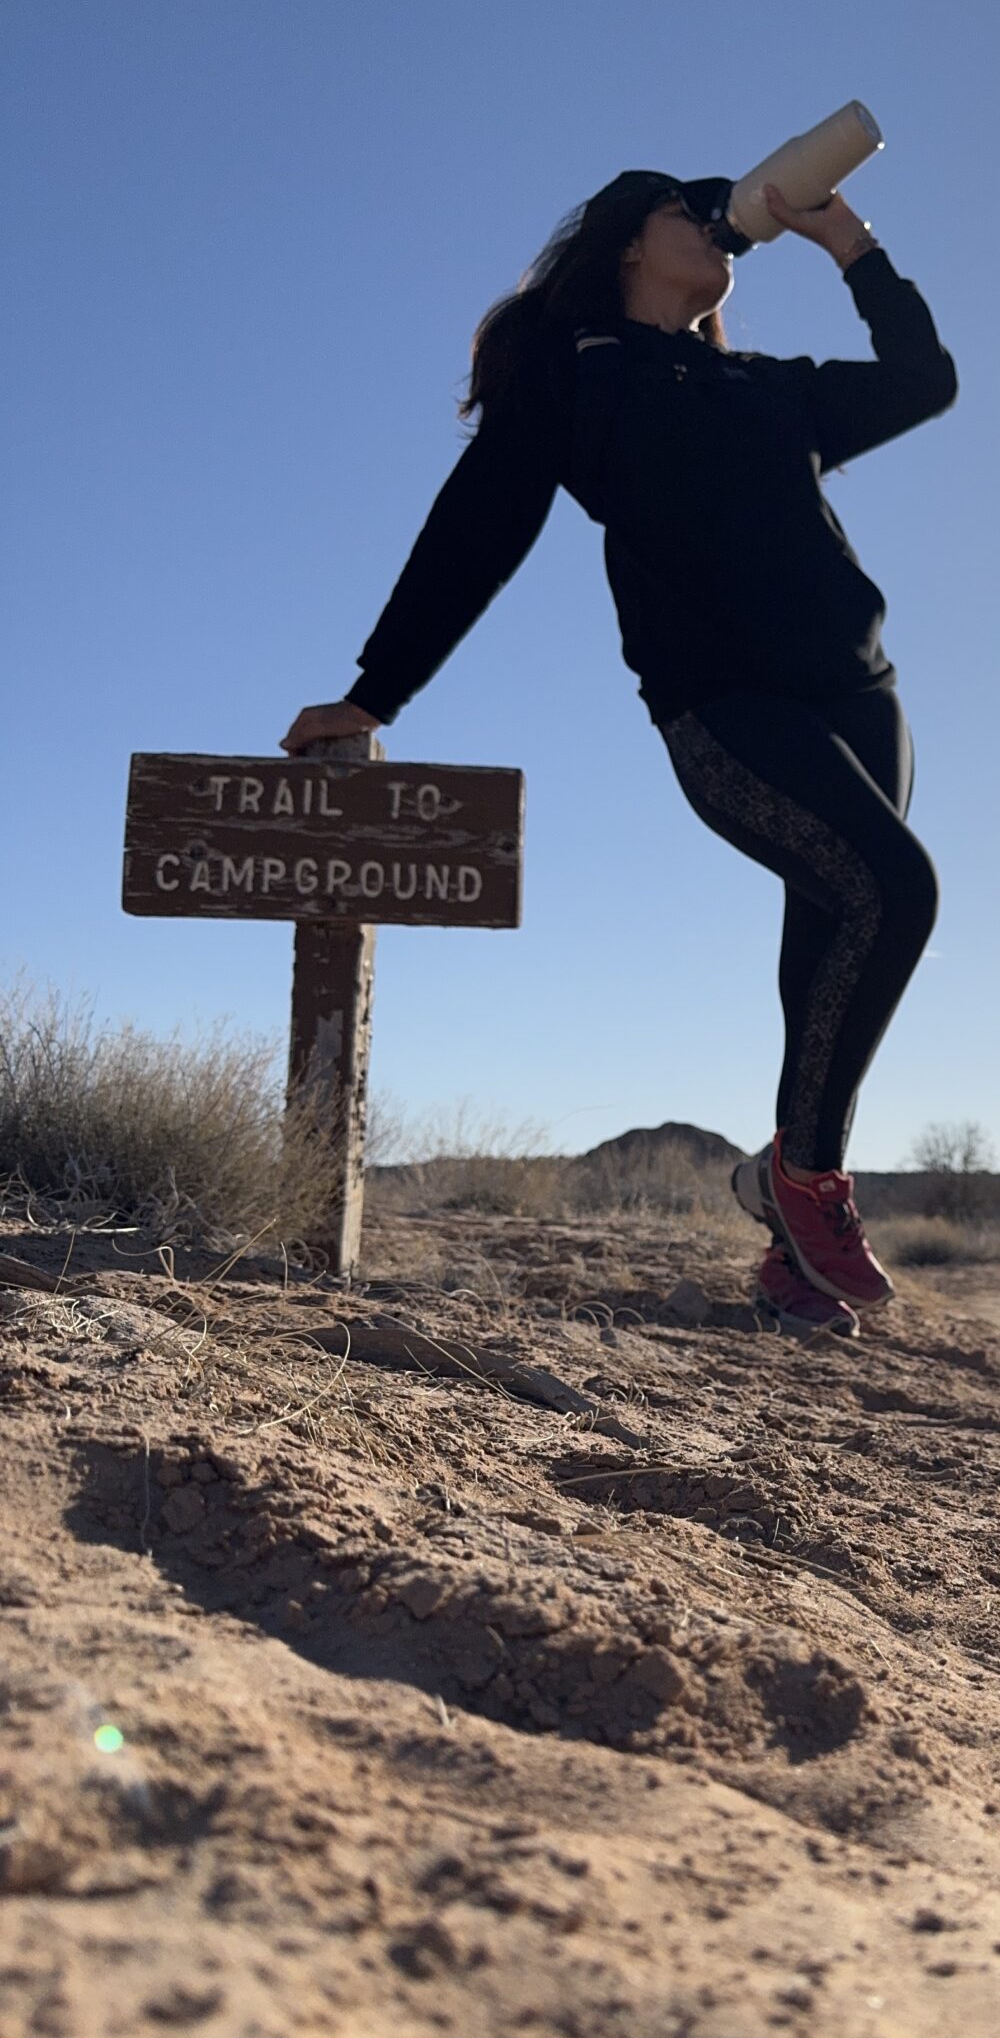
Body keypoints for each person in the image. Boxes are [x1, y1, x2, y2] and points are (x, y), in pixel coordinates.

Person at [284, 168, 958, 1338]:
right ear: (629, 245)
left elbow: (923, 381)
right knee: (894, 889)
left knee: (827, 963)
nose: (713, 222)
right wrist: (371, 690)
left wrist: (849, 241)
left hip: (861, 700)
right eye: (683, 210)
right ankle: (803, 1183)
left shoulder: (764, 385)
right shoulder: (578, 373)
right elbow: (478, 524)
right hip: (723, 705)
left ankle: (788, 1259)